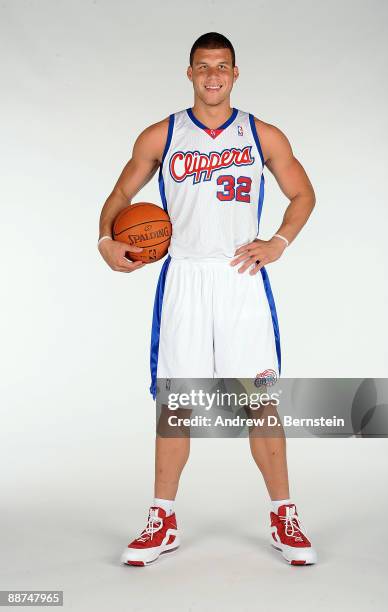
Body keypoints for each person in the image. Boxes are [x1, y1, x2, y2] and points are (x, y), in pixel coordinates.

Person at [98, 32, 317, 566]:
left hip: (242, 274)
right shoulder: (162, 134)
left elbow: (303, 192)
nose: (213, 76)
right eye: (203, 67)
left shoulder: (262, 134)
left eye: (222, 67)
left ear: (235, 73)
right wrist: (107, 240)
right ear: (190, 73)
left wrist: (279, 242)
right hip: (185, 276)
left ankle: (284, 516)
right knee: (176, 406)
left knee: (260, 403)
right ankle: (162, 520)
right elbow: (121, 194)